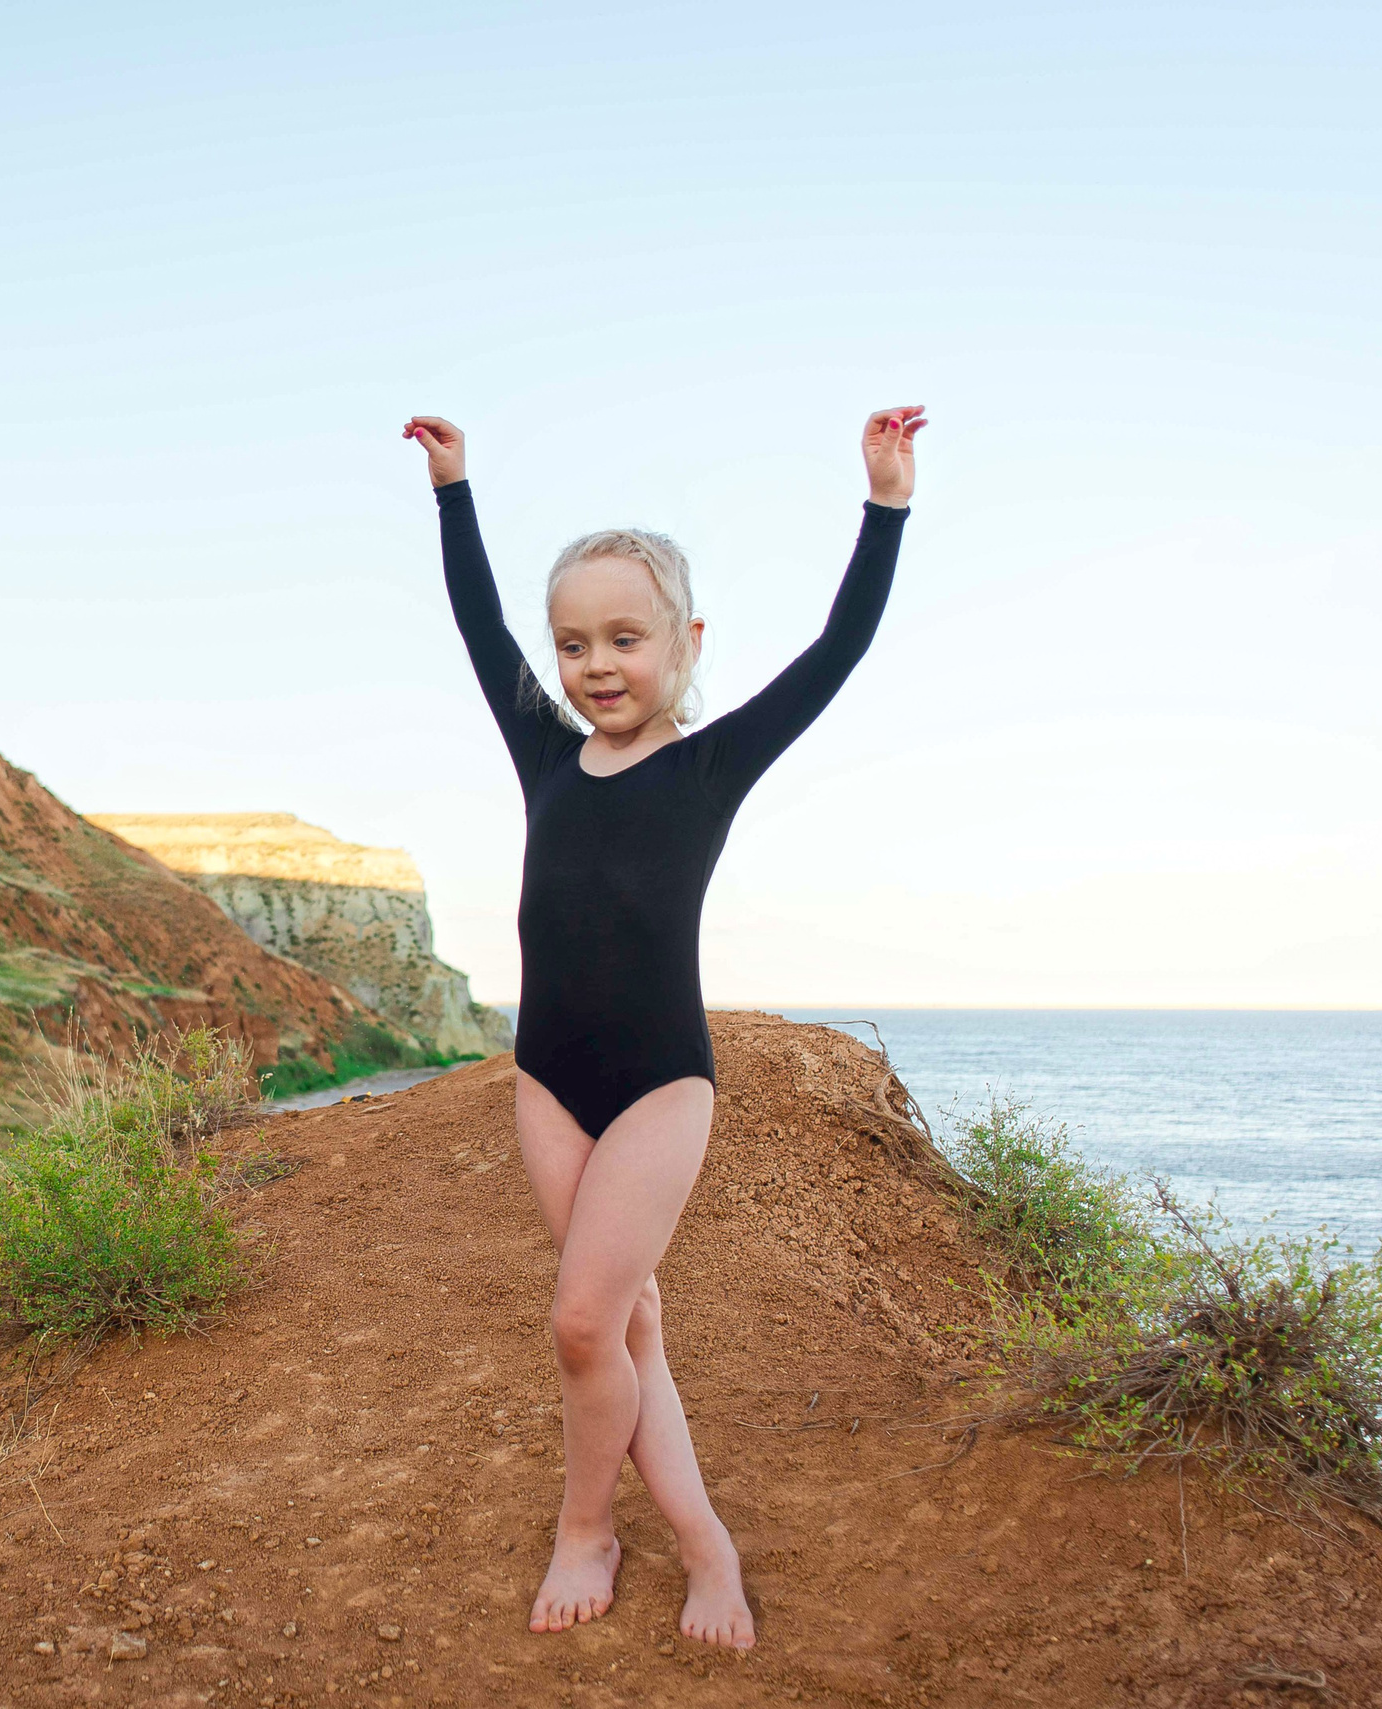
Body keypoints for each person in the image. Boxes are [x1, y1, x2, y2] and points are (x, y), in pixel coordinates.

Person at [400, 407, 921, 1648]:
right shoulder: (542, 752)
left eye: (624, 638)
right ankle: (687, 1541)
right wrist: (454, 491)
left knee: (584, 1318)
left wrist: (884, 505)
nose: (595, 665)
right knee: (624, 1322)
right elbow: (479, 626)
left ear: (685, 643)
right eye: (574, 643)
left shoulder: (712, 764)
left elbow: (838, 648)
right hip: (547, 1079)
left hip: (656, 1086)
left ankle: (615, 1529)